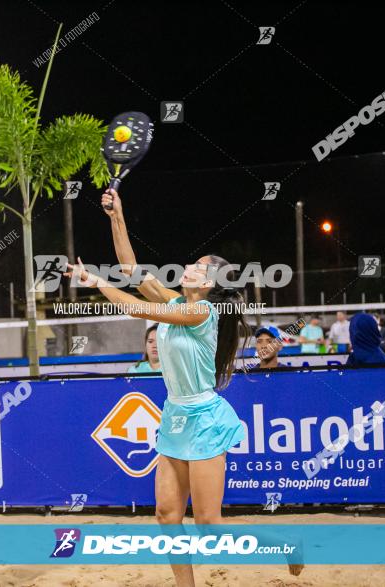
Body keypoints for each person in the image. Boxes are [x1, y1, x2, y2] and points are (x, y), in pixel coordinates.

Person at [78, 189, 302, 584]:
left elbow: (137, 307)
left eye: (197, 267)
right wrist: (117, 216)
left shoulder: (202, 311)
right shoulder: (179, 303)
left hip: (203, 418)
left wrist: (97, 283)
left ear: (211, 282)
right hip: (176, 416)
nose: (188, 266)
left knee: (210, 527)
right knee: (166, 517)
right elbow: (131, 270)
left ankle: (285, 544)